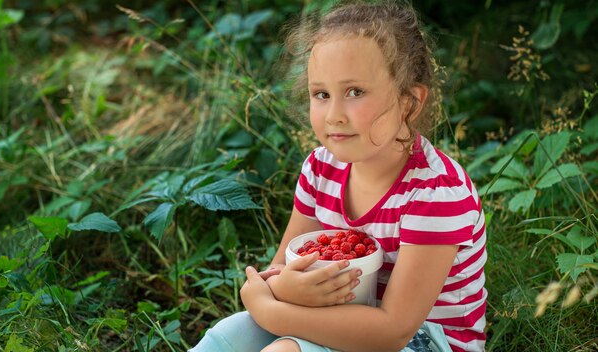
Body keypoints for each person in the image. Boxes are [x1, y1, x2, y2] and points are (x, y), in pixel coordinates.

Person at [190, 1, 487, 351]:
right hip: (338, 315)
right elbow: (283, 266)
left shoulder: (435, 196)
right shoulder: (320, 169)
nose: (334, 115)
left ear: (409, 102)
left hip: (423, 340)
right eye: (321, 94)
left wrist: (271, 309)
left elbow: (392, 331)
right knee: (227, 336)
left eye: (355, 92)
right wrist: (283, 288)